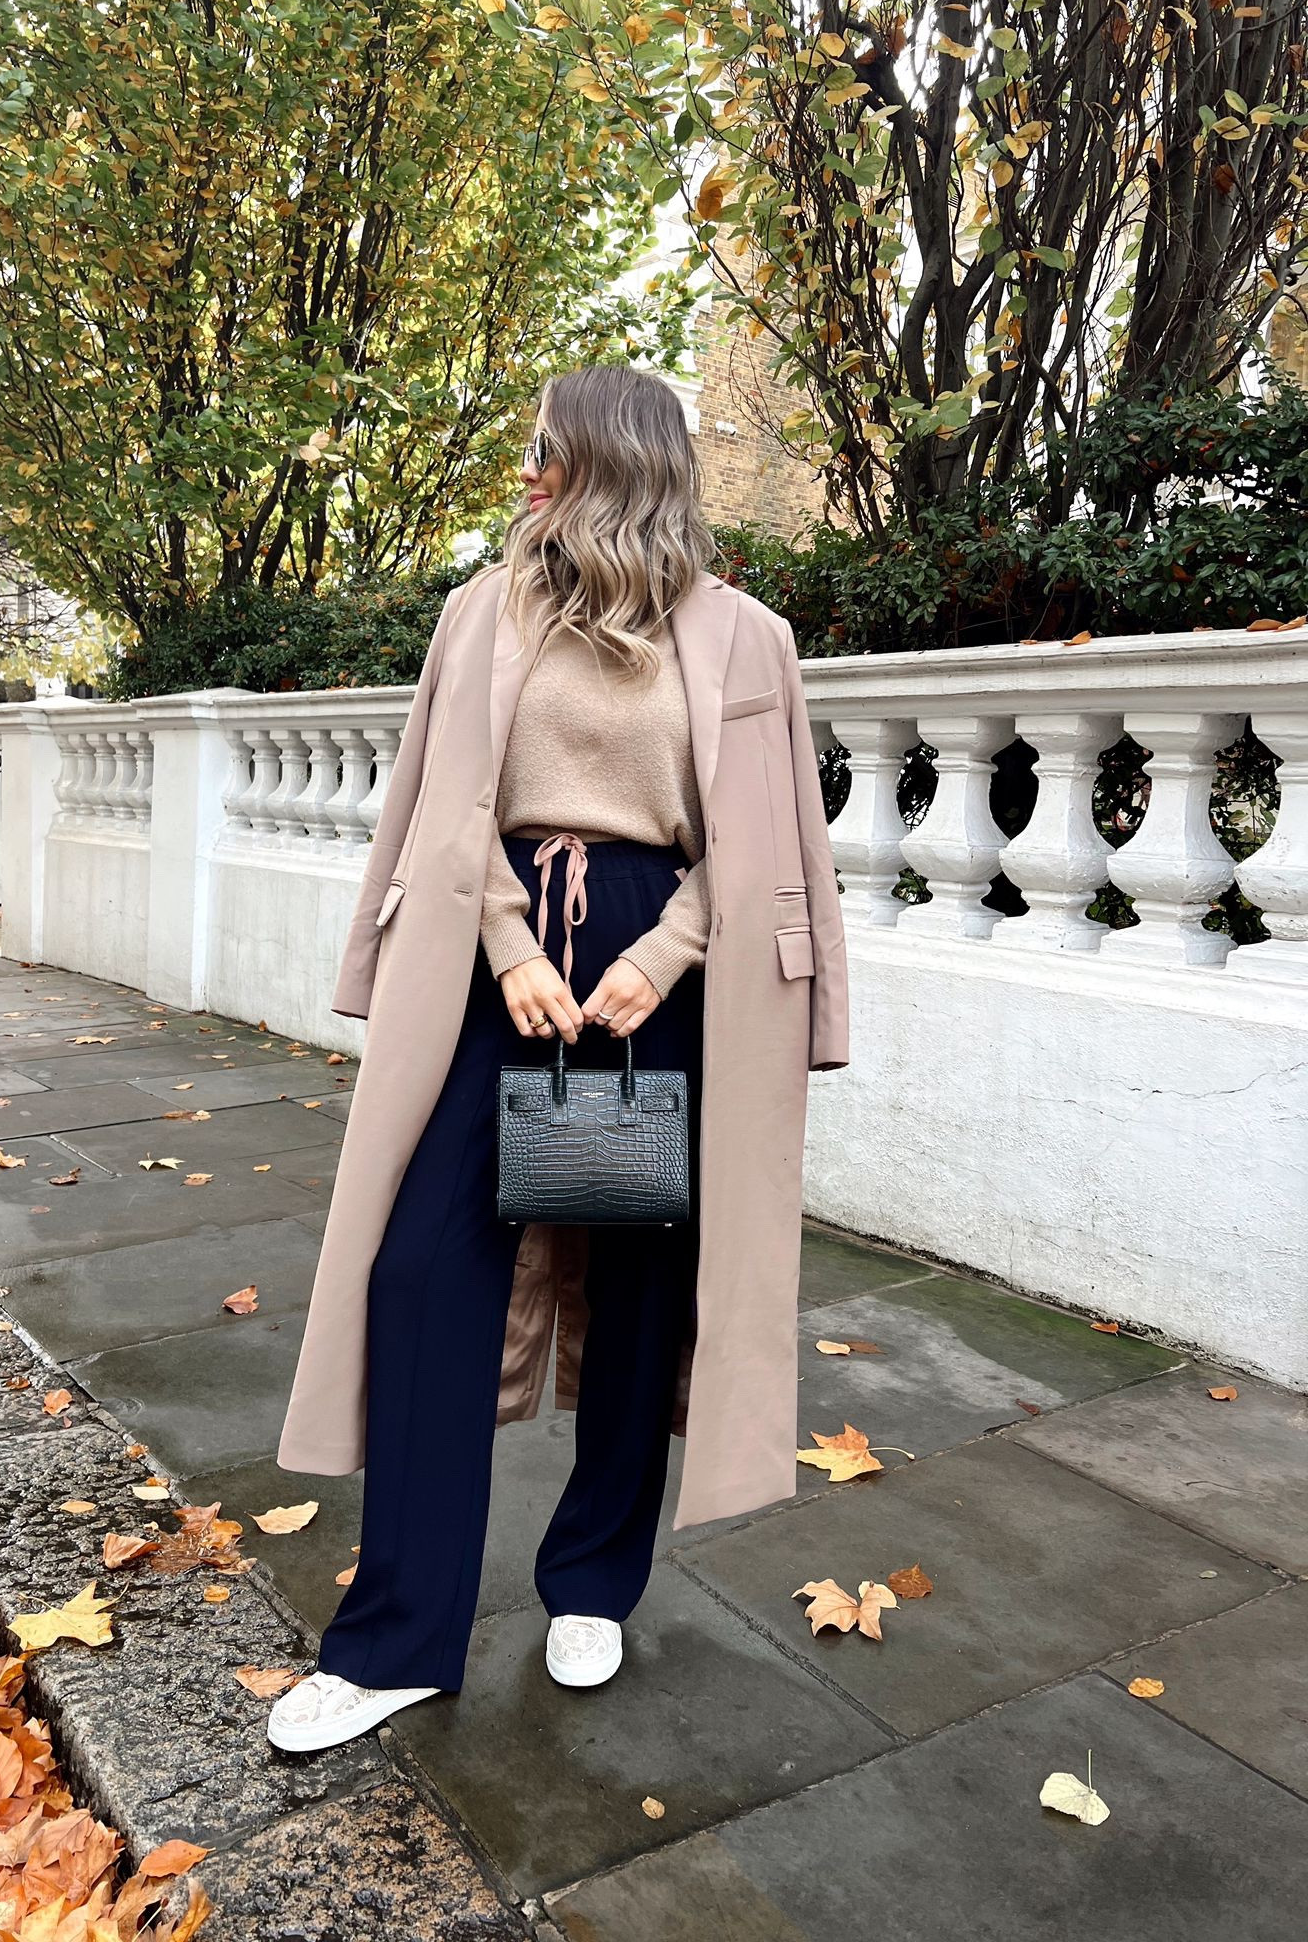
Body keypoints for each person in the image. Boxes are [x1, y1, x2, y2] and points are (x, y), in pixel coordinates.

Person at [269, 363, 848, 1753]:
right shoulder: (485, 612)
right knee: (421, 1268)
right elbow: (435, 809)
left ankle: (592, 1582)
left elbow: (765, 836)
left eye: (545, 453)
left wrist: (665, 952)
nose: (524, 474)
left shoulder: (744, 635)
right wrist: (515, 946)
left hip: (663, 959)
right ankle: (399, 1636)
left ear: (613, 463)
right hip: (497, 956)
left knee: (644, 1274)